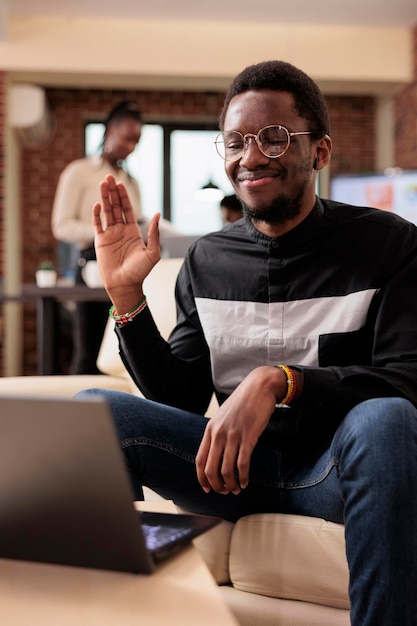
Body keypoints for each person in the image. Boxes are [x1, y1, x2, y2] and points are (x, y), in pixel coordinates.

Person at [83, 61, 417, 625]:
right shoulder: (207, 261)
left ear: (321, 151)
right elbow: (180, 400)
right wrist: (126, 298)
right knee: (93, 417)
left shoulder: (389, 245)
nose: (252, 156)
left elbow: (408, 376)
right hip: (228, 472)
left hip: (335, 470)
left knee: (385, 419)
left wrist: (279, 381)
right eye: (236, 141)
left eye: (275, 137)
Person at [51, 100, 180, 373]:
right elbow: (61, 226)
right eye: (127, 139)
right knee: (90, 350)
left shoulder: (132, 182)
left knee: (129, 345)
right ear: (110, 130)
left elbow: (136, 223)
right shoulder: (79, 172)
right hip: (92, 268)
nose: (131, 147)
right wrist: (104, 235)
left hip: (128, 267)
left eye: (136, 141)